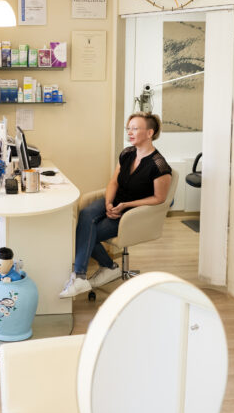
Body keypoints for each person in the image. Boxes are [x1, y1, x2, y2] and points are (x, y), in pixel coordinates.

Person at [59, 112, 173, 298]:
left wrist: (125, 205)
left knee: (88, 232)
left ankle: (92, 272)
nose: (130, 132)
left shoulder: (159, 165)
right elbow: (114, 182)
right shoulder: (127, 153)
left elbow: (159, 198)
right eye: (128, 128)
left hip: (133, 214)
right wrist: (108, 203)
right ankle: (92, 273)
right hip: (116, 202)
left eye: (135, 128)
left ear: (150, 133)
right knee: (86, 214)